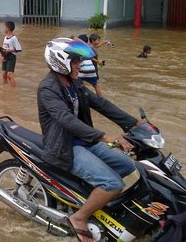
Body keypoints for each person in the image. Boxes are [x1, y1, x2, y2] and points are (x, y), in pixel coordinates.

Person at [38, 38, 140, 242]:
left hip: (83, 141)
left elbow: (101, 104)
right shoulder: (48, 88)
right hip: (64, 146)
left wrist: (134, 124)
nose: (80, 65)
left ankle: (89, 198)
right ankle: (79, 217)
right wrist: (104, 136)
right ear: (60, 62)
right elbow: (65, 119)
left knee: (128, 165)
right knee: (112, 184)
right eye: (75, 62)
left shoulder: (74, 83)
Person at [0, 21, 22, 87]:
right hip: (5, 56)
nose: (4, 29)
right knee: (4, 74)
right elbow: (3, 48)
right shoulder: (5, 37)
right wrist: (2, 56)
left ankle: (13, 90)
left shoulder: (14, 38)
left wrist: (8, 50)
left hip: (11, 57)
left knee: (9, 75)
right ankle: (4, 89)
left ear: (8, 28)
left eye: (4, 27)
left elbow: (19, 49)